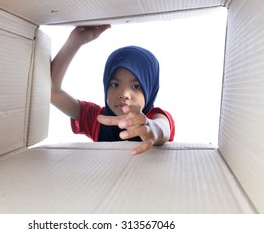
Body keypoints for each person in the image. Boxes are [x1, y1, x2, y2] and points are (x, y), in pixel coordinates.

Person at [51, 25, 175, 155]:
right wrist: (75, 41)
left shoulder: (157, 116)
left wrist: (151, 130)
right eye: (115, 84)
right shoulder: (97, 119)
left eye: (136, 86)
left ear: (150, 89)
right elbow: (53, 92)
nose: (124, 94)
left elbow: (162, 128)